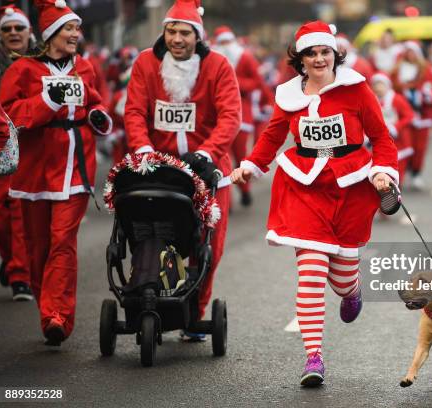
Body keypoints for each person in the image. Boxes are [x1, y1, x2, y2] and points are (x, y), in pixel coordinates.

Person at [230, 21, 397, 387]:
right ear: (300, 59)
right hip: (304, 185)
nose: (319, 59)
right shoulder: (288, 94)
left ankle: (352, 290)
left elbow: (381, 137)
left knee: (340, 280)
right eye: (311, 53)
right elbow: (273, 134)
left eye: (325, 52)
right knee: (310, 270)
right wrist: (251, 165)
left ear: (334, 55)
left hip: (351, 185)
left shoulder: (356, 89)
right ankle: (314, 357)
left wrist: (383, 172)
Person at [124, 0, 240, 341]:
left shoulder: (217, 66)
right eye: (171, 31)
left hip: (207, 167)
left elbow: (231, 116)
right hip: (159, 168)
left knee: (208, 246)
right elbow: (134, 111)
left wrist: (208, 152)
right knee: (157, 234)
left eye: (184, 32)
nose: (176, 38)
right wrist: (143, 150)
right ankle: (152, 299)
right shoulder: (146, 62)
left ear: (197, 36)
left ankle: (194, 314)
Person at [0, 0, 113, 345]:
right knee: (38, 250)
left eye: (77, 29)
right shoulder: (22, 71)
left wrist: (98, 117)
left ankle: (57, 317)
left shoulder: (87, 68)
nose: (76, 35)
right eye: (70, 29)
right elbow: (8, 114)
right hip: (33, 173)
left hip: (75, 169)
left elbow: (99, 103)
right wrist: (48, 104)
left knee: (63, 243)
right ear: (50, 35)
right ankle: (47, 307)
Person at [0, 2, 33, 301]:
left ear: (29, 31)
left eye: (18, 27)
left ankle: (21, 275)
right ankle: (12, 262)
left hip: (32, 147)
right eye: (6, 29)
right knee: (2, 218)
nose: (12, 33)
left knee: (20, 213)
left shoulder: (40, 60)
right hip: (1, 148)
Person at [212, 25, 264, 207]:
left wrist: (236, 82)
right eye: (221, 42)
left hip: (242, 115)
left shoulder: (245, 57)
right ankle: (226, 201)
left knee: (241, 156)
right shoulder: (213, 60)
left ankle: (245, 190)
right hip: (218, 117)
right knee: (220, 158)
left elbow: (257, 81)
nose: (225, 45)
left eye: (227, 42)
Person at [392, 41, 432, 190]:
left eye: (413, 52)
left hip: (421, 115)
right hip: (403, 116)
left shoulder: (426, 69)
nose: (410, 54)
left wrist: (429, 95)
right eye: (408, 51)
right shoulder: (397, 70)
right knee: (405, 146)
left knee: (420, 147)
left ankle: (417, 173)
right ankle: (403, 173)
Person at [370, 72, 414, 184]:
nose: (378, 88)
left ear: (387, 85)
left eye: (381, 85)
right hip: (381, 142)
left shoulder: (397, 99)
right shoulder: (371, 100)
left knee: (398, 172)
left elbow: (409, 115)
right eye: (376, 85)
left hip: (400, 141)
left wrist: (396, 127)